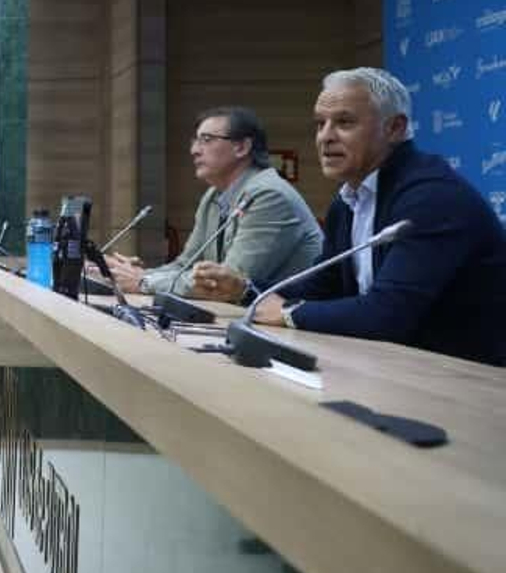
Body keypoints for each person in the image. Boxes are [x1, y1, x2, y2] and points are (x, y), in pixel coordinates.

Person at [214, 69, 506, 365]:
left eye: (344, 122)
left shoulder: (431, 198)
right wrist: (245, 289)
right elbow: (322, 287)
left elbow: (388, 314)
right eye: (320, 124)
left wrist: (289, 313)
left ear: (394, 128)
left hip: (470, 381)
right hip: (398, 368)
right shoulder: (349, 199)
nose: (325, 137)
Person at [105, 106, 323, 301]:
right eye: (195, 140)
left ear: (242, 147)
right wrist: (123, 275)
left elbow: (225, 284)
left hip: (298, 330)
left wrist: (144, 282)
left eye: (206, 140)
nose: (194, 150)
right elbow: (186, 266)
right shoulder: (213, 196)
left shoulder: (270, 196)